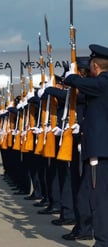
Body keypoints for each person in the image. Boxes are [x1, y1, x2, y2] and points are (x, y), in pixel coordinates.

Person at [64, 44, 108, 247]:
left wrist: (71, 72)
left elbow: (71, 81)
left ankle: (102, 242)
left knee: (99, 200)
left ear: (95, 66)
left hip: (99, 151)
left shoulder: (100, 84)